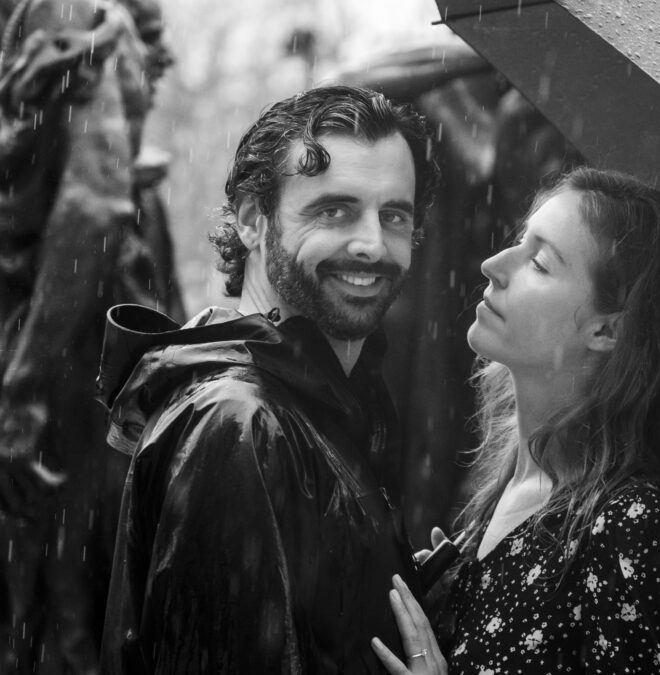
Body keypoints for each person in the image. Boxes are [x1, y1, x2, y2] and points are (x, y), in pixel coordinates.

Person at [97, 85, 439, 673]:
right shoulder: (239, 422)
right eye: (334, 210)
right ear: (254, 222)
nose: (372, 244)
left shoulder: (322, 399)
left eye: (394, 215)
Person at [371, 167, 660, 674]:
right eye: (520, 243)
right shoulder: (511, 493)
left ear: (607, 330)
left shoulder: (636, 527)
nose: (493, 264)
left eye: (539, 263)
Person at [0, 0, 180, 671]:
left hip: (53, 361)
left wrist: (23, 390)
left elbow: (91, 207)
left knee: (54, 591)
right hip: (51, 350)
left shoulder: (68, 15)